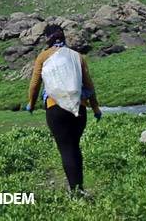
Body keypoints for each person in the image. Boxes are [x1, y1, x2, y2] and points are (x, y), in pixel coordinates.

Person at [26, 24, 101, 196]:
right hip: (79, 108)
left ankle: (75, 191)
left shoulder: (43, 56)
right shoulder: (77, 56)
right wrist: (95, 108)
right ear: (63, 37)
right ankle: (79, 188)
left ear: (47, 38)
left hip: (56, 109)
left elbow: (35, 84)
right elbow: (89, 84)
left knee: (66, 148)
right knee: (74, 146)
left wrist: (31, 103)